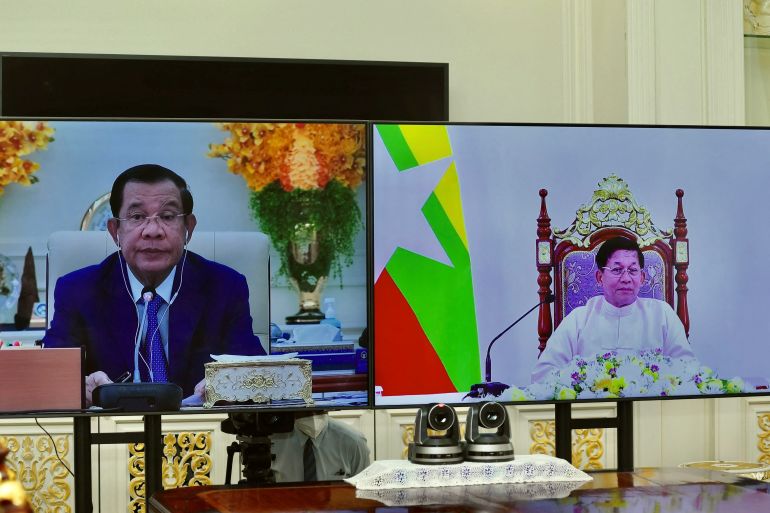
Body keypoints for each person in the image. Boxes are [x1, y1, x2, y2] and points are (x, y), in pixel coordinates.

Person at [43, 164, 265, 403]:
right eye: (137, 217)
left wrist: (229, 383)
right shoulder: (78, 291)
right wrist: (80, 387)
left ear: (188, 228)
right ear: (115, 230)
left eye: (168, 217)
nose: (152, 231)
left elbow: (255, 371)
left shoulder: (225, 287)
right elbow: (50, 377)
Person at [532, 236, 695, 382]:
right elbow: (543, 375)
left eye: (632, 270)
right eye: (617, 270)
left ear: (642, 277)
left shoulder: (662, 315)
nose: (626, 279)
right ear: (599, 277)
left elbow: (688, 370)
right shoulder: (579, 320)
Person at [270, 412, 371, 482]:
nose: (313, 416)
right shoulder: (272, 440)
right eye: (306, 409)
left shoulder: (354, 442)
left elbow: (363, 491)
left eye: (319, 409)